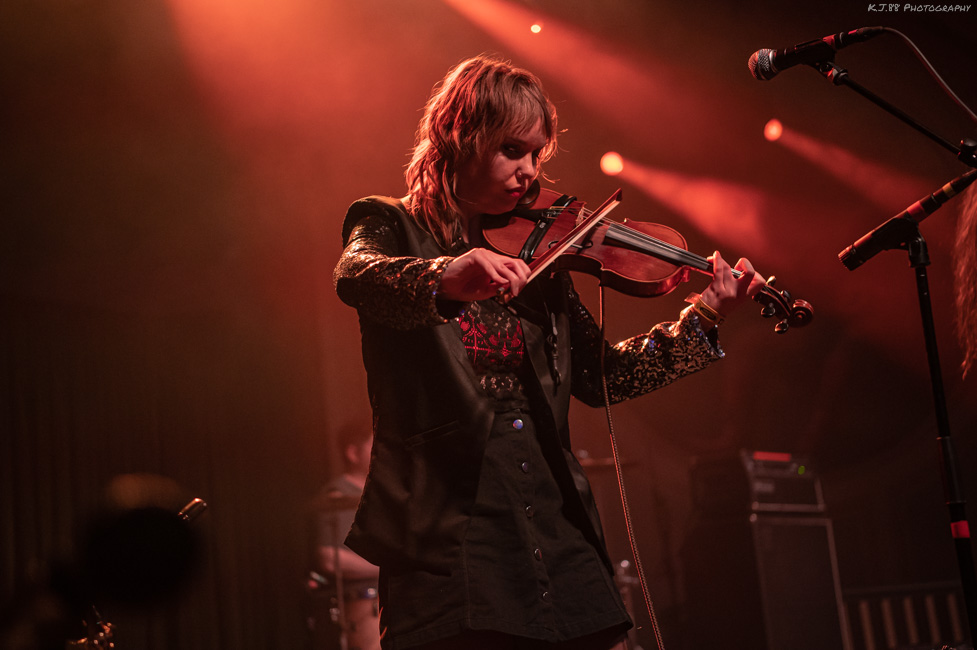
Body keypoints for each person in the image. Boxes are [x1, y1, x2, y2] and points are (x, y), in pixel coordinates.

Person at [332, 54, 766, 650]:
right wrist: (444, 277)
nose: (530, 173)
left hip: (557, 528)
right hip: (450, 538)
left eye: (538, 155)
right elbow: (357, 276)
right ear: (459, 136)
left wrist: (706, 315)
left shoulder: (543, 259)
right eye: (513, 150)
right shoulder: (388, 222)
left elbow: (606, 375)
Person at [312, 424, 381, 650]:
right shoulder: (337, 496)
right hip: (363, 603)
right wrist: (385, 568)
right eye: (374, 444)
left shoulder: (382, 492)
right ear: (353, 453)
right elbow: (329, 558)